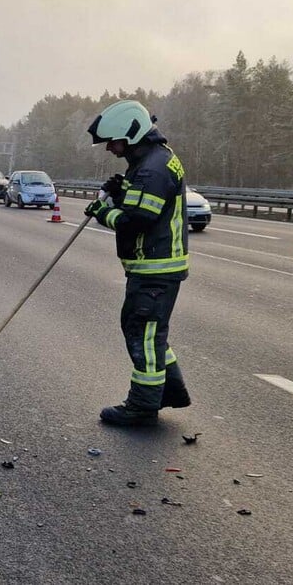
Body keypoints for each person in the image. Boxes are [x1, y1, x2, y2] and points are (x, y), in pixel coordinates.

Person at [85, 99, 191, 426]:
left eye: (112, 142)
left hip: (155, 268)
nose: (109, 149)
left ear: (130, 134)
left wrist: (104, 212)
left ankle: (142, 406)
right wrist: (120, 191)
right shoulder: (150, 162)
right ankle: (170, 390)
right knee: (149, 332)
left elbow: (139, 219)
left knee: (142, 333)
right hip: (155, 267)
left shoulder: (152, 168)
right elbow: (138, 201)